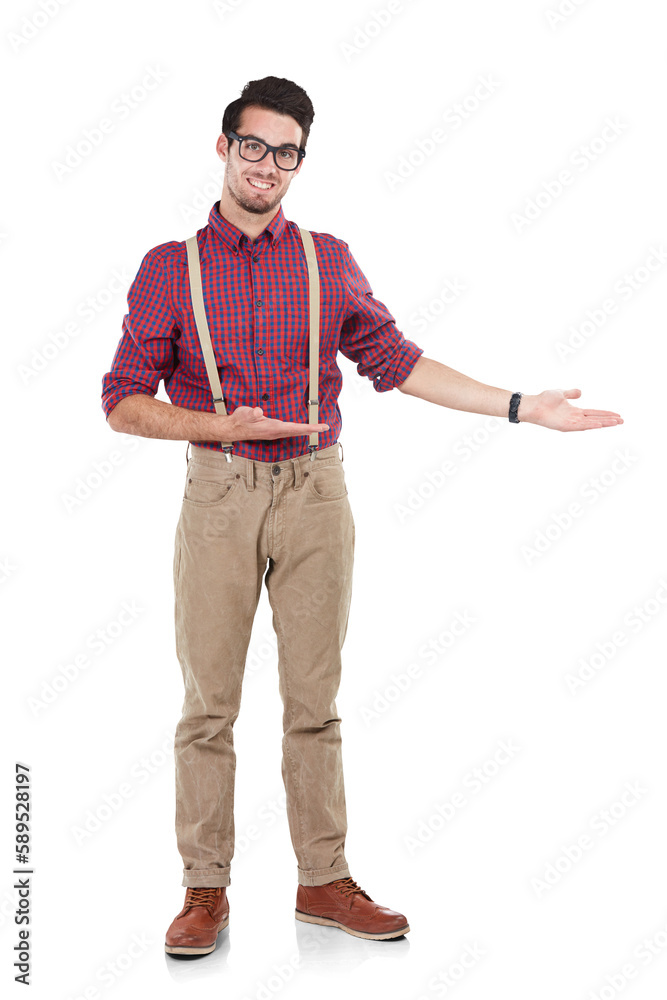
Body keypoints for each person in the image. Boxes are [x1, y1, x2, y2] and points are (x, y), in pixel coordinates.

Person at [101, 76, 623, 957]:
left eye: (286, 152)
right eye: (254, 145)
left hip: (316, 494)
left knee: (315, 701)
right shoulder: (169, 268)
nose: (268, 164)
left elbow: (397, 360)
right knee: (208, 708)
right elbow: (119, 400)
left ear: (300, 164)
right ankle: (204, 889)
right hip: (218, 494)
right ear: (223, 147)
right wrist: (213, 426)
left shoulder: (327, 258)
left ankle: (322, 881)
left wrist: (518, 405)